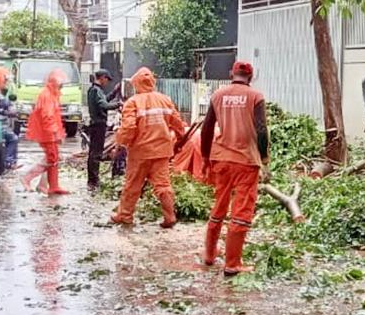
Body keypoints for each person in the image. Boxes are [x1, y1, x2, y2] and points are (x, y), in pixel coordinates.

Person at [199, 61, 269, 276]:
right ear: (251, 76)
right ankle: (232, 263)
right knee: (241, 212)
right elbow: (261, 129)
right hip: (246, 161)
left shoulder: (218, 95)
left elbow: (207, 127)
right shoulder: (256, 97)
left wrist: (204, 155)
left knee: (219, 206)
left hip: (221, 158)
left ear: (232, 73)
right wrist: (264, 156)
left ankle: (209, 255)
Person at [110, 67, 185, 228]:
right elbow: (177, 122)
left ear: (136, 83)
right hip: (162, 150)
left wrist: (121, 144)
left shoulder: (133, 102)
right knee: (163, 185)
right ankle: (170, 216)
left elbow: (129, 127)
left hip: (140, 152)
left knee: (132, 185)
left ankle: (124, 215)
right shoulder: (165, 99)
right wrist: (180, 138)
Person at [21, 69, 69, 195]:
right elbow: (47, 116)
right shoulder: (47, 95)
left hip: (51, 133)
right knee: (51, 158)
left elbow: (55, 116)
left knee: (53, 159)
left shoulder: (52, 94)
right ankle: (27, 178)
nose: (62, 87)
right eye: (60, 84)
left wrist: (58, 132)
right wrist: (54, 133)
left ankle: (52, 185)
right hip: (48, 134)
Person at [85, 69, 121, 191]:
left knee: (93, 153)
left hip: (95, 124)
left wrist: (115, 92)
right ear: (103, 78)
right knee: (96, 154)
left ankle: (92, 180)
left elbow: (104, 100)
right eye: (107, 79)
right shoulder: (96, 90)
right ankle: (93, 181)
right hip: (98, 125)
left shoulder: (94, 90)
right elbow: (104, 105)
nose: (107, 82)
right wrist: (119, 104)